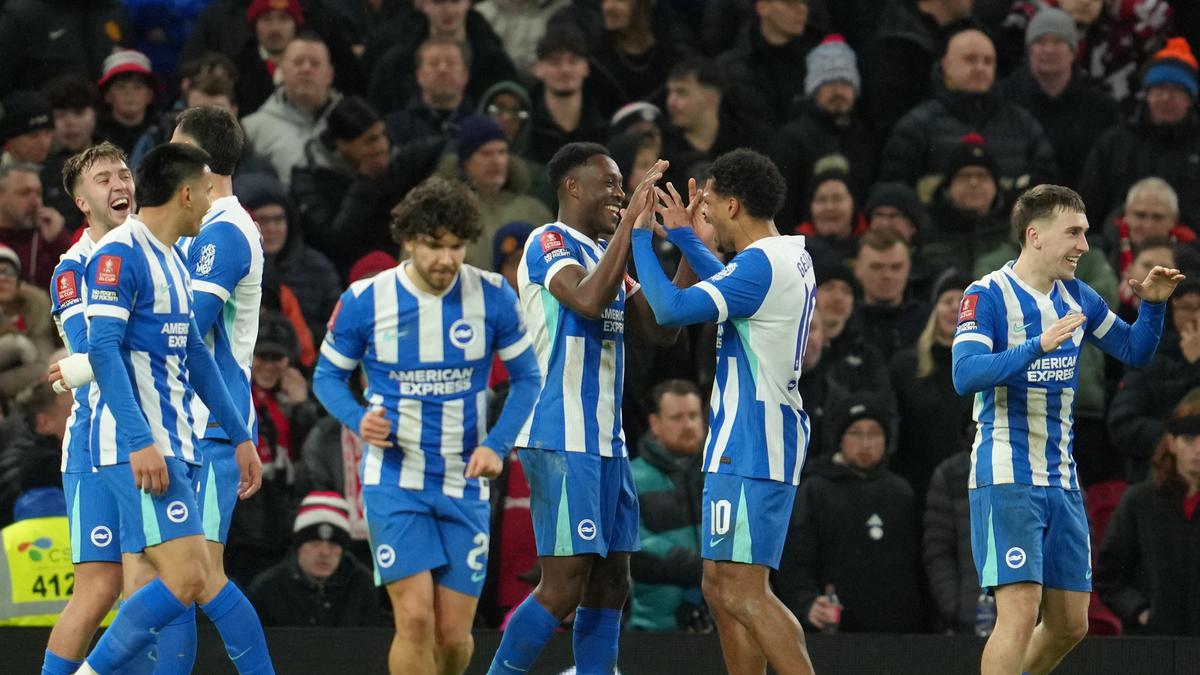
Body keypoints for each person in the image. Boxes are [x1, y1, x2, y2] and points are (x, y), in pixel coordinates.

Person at [314, 176, 542, 675]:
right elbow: (326, 377)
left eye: (457, 246)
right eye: (434, 246)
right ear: (408, 240)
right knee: (415, 620)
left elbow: (528, 379)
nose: (447, 259)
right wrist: (359, 419)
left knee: (453, 637)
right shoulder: (365, 299)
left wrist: (497, 444)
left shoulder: (493, 296)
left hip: (465, 481)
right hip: (395, 480)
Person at [951, 184, 1183, 675]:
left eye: (1085, 233)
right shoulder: (986, 294)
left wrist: (1154, 307)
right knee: (1019, 613)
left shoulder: (1076, 296)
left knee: (1070, 624)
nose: (1084, 245)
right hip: (1006, 471)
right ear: (1034, 235)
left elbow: (1134, 351)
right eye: (1073, 233)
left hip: (1060, 476)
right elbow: (965, 374)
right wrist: (1036, 345)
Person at [71, 143, 269, 675]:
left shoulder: (175, 259)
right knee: (186, 577)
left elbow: (196, 356)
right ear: (185, 194)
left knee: (175, 579)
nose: (211, 200)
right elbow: (102, 350)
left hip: (176, 444)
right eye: (206, 190)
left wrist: (241, 435)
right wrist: (139, 442)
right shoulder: (120, 254)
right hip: (133, 447)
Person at [485, 144, 680, 674]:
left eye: (622, 185)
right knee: (564, 585)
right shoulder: (547, 241)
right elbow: (588, 300)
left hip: (607, 442)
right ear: (572, 186)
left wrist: (689, 245)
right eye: (610, 183)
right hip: (559, 432)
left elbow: (661, 327)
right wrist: (629, 227)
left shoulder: (603, 252)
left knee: (612, 582)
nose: (620, 193)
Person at [628, 148, 818, 673]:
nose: (704, 210)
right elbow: (732, 288)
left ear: (733, 205)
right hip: (751, 435)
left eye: (708, 201)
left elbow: (670, 310)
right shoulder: (785, 256)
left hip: (754, 437)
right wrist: (688, 239)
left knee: (743, 590)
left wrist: (642, 237)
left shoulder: (761, 263)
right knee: (719, 585)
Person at [162, 106, 270, 672]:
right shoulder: (194, 228)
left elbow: (185, 327)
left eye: (175, 147)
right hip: (178, 422)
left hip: (211, 425)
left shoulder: (225, 232)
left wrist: (93, 358)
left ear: (199, 160)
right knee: (172, 574)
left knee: (201, 575)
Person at [40, 142, 132, 674]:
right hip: (96, 442)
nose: (119, 184)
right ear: (81, 202)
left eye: (124, 174)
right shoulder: (71, 271)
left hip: (159, 435)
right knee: (100, 586)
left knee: (157, 582)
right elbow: (88, 350)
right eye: (103, 179)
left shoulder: (159, 249)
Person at [776, 394, 926, 633]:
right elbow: (794, 560)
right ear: (839, 438)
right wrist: (805, 603)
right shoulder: (814, 490)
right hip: (833, 633)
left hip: (899, 635)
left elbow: (919, 564)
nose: (866, 444)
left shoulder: (901, 492)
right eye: (855, 433)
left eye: (874, 433)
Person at [878, 28, 1059, 202]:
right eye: (970, 59)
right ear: (946, 65)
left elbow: (1047, 191)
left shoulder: (1023, 124)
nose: (980, 68)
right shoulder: (917, 125)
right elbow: (895, 193)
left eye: (988, 61)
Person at [1096, 402, 1200, 636]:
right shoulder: (1139, 501)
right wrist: (1140, 611)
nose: (1198, 449)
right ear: (1171, 443)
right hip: (1150, 644)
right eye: (1189, 439)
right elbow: (1108, 575)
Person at [1078, 37, 1200, 228]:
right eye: (1159, 89)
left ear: (1190, 99)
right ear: (1147, 95)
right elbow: (1088, 210)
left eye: (1176, 91)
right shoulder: (1113, 145)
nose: (1166, 98)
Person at [998, 7, 1118, 188]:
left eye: (1058, 42)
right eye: (1040, 42)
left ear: (1073, 51)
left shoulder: (1100, 106)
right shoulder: (1006, 97)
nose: (1049, 50)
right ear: (1029, 50)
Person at [770, 35, 877, 229]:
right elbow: (782, 206)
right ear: (814, 89)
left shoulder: (864, 137)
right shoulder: (791, 140)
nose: (838, 91)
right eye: (829, 83)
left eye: (845, 83)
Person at [628, 379, 706, 632]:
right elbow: (633, 542)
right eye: (677, 418)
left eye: (693, 416)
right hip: (654, 630)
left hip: (719, 625)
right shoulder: (630, 477)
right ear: (654, 424)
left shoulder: (721, 475)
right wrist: (699, 567)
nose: (688, 425)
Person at [248, 491, 381, 627]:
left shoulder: (362, 585)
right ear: (299, 546)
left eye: (334, 545)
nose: (325, 552)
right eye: (315, 543)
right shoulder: (267, 589)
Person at [437, 115, 553, 269]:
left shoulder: (533, 211)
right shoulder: (445, 212)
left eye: (502, 152)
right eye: (486, 153)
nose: (496, 161)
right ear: (466, 162)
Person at [242, 32, 343, 187]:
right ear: (281, 70)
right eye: (298, 62)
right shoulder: (252, 129)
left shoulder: (352, 123)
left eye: (315, 64)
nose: (306, 69)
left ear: (330, 75)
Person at [0, 163, 71, 290]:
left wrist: (58, 241)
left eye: (38, 193)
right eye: (24, 193)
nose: (35, 202)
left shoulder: (49, 238)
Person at [94, 50, 162, 157]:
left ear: (150, 95)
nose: (130, 93)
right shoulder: (92, 138)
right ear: (107, 95)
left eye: (138, 87)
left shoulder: (165, 133)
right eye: (121, 86)